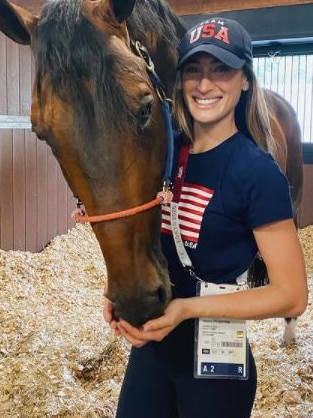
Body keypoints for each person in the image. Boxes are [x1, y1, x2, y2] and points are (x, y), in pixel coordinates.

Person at [104, 17, 308, 418]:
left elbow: (292, 294)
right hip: (151, 350)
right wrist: (119, 292)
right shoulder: (162, 152)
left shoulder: (257, 172)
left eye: (222, 70)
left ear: (245, 80)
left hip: (215, 361)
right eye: (193, 70)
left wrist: (186, 309)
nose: (204, 84)